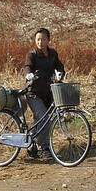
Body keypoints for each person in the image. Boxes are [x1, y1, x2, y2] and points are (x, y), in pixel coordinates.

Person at [23, 28, 65, 159]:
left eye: (43, 39)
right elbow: (27, 66)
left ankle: (31, 146)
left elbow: (60, 67)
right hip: (33, 93)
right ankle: (43, 147)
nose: (40, 42)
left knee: (42, 120)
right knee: (43, 117)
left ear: (48, 40)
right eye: (38, 39)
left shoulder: (52, 54)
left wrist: (60, 73)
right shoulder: (32, 54)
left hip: (48, 92)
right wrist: (28, 75)